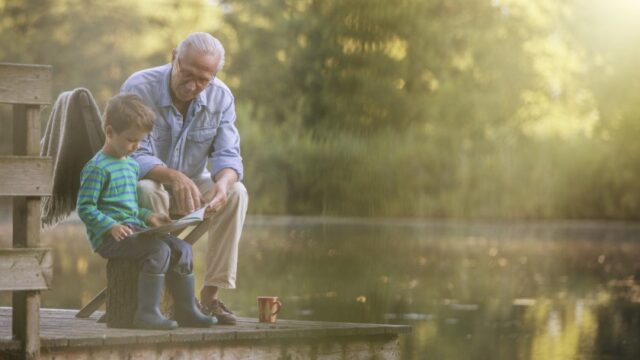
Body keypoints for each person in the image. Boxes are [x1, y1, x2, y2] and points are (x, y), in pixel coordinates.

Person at [121, 32, 248, 325]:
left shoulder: (222, 96)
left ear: (214, 75)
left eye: (203, 80)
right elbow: (133, 156)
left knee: (237, 192)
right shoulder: (140, 87)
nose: (193, 86)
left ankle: (209, 297)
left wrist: (223, 185)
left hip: (192, 185)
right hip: (146, 183)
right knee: (148, 189)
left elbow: (229, 156)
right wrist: (173, 177)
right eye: (187, 74)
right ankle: (164, 295)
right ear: (174, 58)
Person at [76, 93, 216, 330]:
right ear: (110, 132)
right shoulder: (96, 168)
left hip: (134, 230)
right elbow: (85, 208)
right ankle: (146, 313)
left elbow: (129, 208)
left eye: (140, 141)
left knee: (182, 248)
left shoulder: (131, 165)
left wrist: (149, 216)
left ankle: (186, 311)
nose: (136, 146)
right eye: (131, 140)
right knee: (158, 250)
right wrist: (110, 225)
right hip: (109, 238)